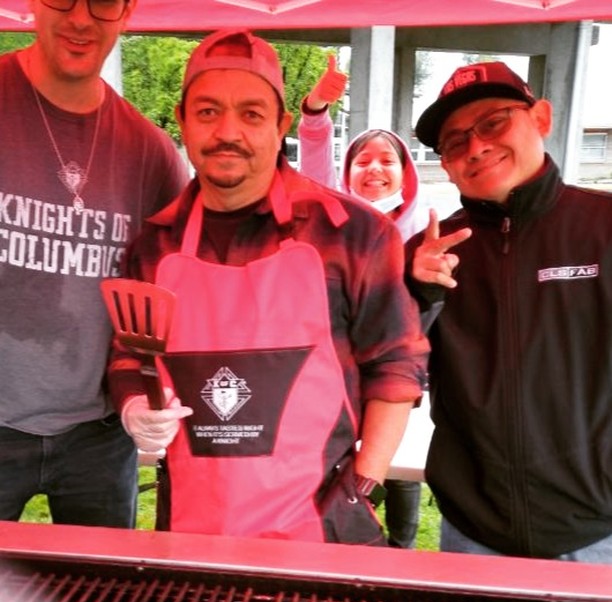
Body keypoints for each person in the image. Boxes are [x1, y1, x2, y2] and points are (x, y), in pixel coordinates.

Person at [108, 28, 429, 545]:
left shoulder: (353, 233)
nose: (227, 131)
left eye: (251, 114)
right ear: (182, 120)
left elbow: (396, 366)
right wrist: (132, 406)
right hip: (192, 531)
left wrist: (363, 484)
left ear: (281, 125)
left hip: (324, 534)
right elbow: (128, 355)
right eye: (208, 112)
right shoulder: (153, 245)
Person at [405, 61, 612, 562]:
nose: (476, 147)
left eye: (493, 123)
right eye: (455, 142)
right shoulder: (426, 255)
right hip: (473, 534)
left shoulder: (604, 227)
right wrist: (415, 295)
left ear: (541, 118)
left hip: (599, 533)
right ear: (445, 165)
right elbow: (389, 373)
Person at [0, 0, 189, 528]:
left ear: (127, 12)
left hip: (100, 433)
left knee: (99, 576)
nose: (81, 18)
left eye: (103, 1)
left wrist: (149, 393)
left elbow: (173, 284)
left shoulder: (149, 152)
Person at [298, 57, 428, 549]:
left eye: (387, 161)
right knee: (346, 477)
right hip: (336, 383)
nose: (375, 168)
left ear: (405, 173)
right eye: (363, 160)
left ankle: (401, 551)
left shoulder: (423, 231)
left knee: (400, 472)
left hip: (398, 382)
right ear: (348, 173)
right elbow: (314, 160)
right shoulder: (332, 220)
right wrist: (315, 110)